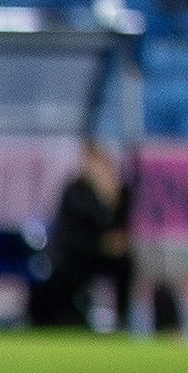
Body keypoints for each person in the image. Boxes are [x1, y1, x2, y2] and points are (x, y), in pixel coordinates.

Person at [33, 135, 132, 334]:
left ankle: (124, 320)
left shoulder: (120, 192)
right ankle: (70, 317)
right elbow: (86, 226)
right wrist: (105, 200)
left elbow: (122, 225)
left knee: (127, 265)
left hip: (105, 255)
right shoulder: (76, 190)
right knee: (64, 273)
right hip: (76, 253)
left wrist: (112, 199)